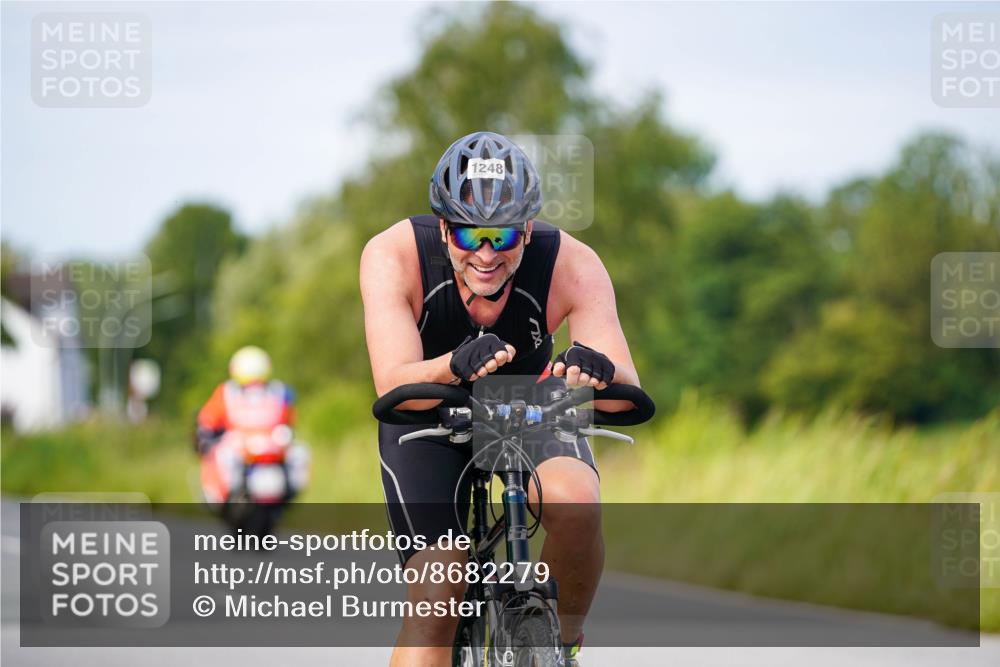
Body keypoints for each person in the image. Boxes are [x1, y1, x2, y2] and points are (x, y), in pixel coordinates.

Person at [360, 131, 643, 667]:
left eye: (503, 236)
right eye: (470, 237)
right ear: (445, 230)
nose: (486, 255)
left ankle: (560, 645)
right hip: (425, 404)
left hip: (526, 402)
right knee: (439, 591)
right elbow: (394, 384)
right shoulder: (393, 254)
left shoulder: (571, 263)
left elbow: (626, 387)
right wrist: (452, 364)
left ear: (527, 229)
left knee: (576, 504)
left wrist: (601, 372)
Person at [195, 345, 305, 504]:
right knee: (223, 455)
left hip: (271, 446)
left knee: (299, 453)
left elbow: (288, 420)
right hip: (239, 444)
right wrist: (206, 434)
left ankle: (290, 490)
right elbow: (208, 419)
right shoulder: (227, 392)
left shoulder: (279, 391)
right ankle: (224, 496)